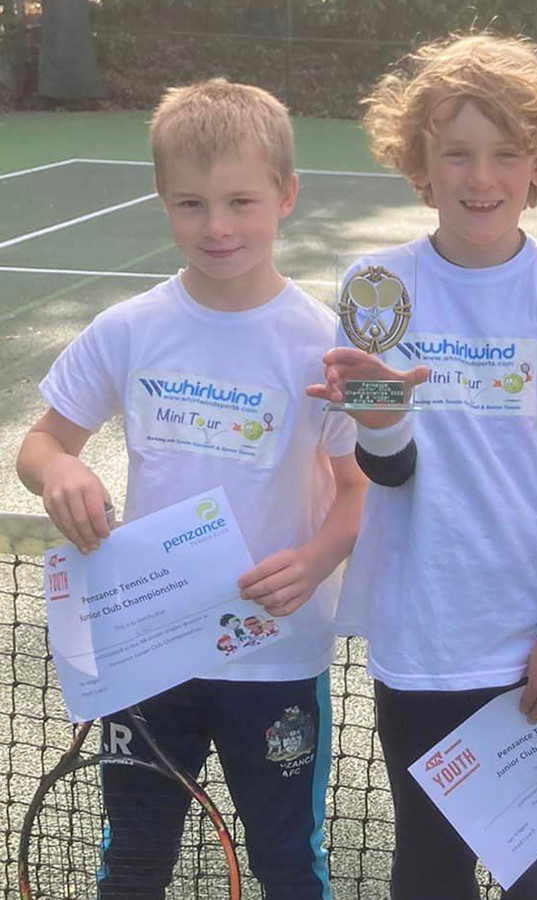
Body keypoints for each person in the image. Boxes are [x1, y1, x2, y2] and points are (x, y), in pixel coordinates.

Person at [305, 33, 537, 900]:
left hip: (534, 641)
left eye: (506, 153)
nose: (481, 177)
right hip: (419, 637)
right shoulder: (378, 285)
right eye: (456, 152)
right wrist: (382, 424)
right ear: (420, 161)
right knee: (428, 868)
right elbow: (390, 474)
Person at [14, 78, 364, 898]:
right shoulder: (129, 328)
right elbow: (41, 443)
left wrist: (313, 562)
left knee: (289, 863)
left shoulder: (326, 345)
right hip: (148, 652)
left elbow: (360, 488)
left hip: (275, 656)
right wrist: (59, 469)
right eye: (191, 204)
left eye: (242, 201)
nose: (218, 227)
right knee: (134, 858)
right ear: (162, 201)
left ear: (287, 196)